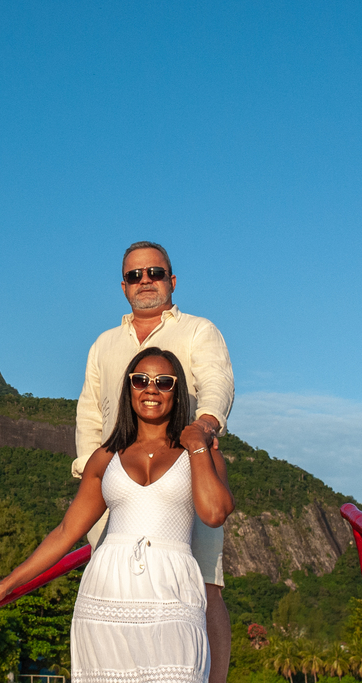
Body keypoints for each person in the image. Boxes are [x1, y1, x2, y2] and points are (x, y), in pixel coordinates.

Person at [0, 348, 234, 683]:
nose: (151, 389)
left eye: (164, 382)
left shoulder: (200, 453)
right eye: (141, 380)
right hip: (107, 589)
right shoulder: (106, 457)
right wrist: (6, 585)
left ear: (176, 392)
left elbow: (214, 514)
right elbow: (66, 531)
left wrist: (196, 441)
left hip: (173, 587)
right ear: (129, 389)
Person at [74, 241, 235, 682]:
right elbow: (91, 413)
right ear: (123, 286)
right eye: (134, 275)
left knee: (204, 588)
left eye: (155, 273)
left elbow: (217, 382)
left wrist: (201, 431)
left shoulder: (199, 331)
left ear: (172, 280)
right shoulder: (104, 345)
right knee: (116, 594)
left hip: (186, 477)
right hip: (118, 488)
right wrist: (95, 473)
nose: (145, 281)